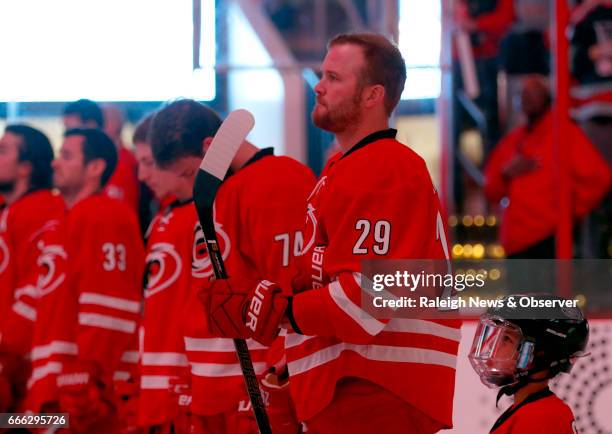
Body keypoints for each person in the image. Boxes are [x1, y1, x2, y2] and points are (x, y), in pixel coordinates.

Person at [202, 33, 460, 433]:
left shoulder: (383, 167)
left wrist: (281, 313)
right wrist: (290, 344)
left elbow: (367, 298)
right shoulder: (345, 168)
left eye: (335, 77)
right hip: (353, 385)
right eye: (323, 74)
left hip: (375, 390)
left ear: (373, 95)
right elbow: (329, 279)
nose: (319, 86)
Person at [149, 99, 315, 434]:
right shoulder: (225, 192)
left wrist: (279, 379)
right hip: (214, 394)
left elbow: (296, 287)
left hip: (252, 393)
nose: (188, 186)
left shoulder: (277, 180)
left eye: (189, 173)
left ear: (211, 147)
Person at [27, 128, 144, 433]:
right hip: (51, 394)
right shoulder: (65, 219)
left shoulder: (102, 215)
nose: (55, 164)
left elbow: (109, 310)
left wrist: (84, 385)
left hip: (80, 399)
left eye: (66, 156)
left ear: (95, 167)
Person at [484, 75, 611, 258]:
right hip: (516, 240)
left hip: (549, 238)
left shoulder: (564, 133)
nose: (526, 98)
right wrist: (506, 173)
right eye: (522, 94)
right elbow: (491, 189)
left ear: (546, 98)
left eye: (533, 93)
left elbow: (598, 178)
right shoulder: (514, 140)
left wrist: (567, 212)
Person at [132, 113, 196, 433]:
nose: (142, 175)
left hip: (189, 393)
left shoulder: (208, 216)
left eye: (148, 162)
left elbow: (374, 305)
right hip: (162, 394)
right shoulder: (163, 219)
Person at [0, 125, 65, 413]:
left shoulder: (40, 209)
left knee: (23, 426)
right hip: (12, 372)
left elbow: (39, 286)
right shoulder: (11, 210)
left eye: (3, 151)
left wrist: (7, 350)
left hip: (26, 374)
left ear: (25, 167)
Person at [469, 293, 588, 433]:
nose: (492, 347)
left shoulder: (542, 417)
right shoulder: (529, 410)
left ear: (539, 354)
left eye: (506, 339)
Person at [63, 99, 140, 212]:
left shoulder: (120, 162)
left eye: (72, 129)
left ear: (90, 125)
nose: (68, 134)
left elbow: (118, 213)